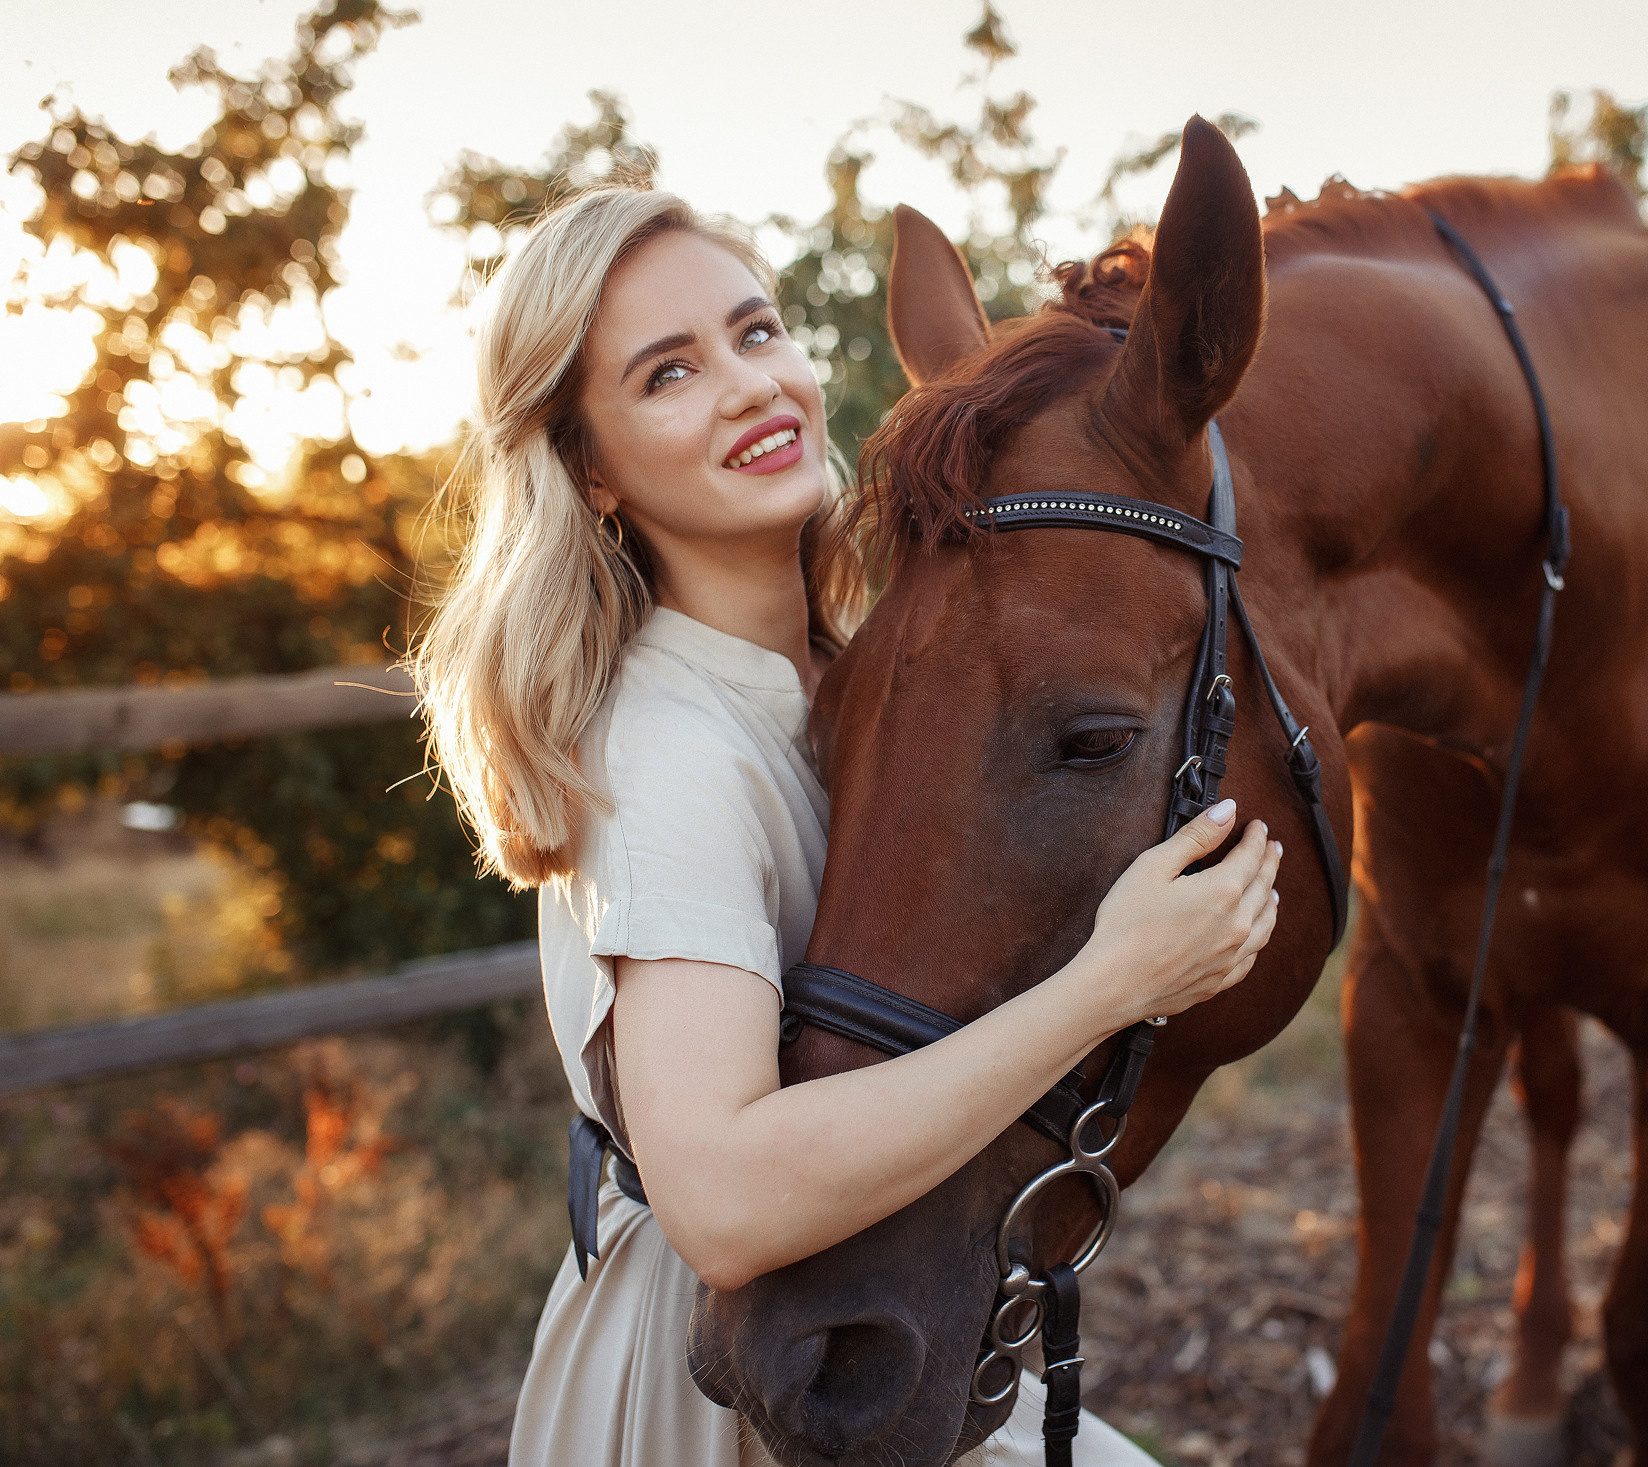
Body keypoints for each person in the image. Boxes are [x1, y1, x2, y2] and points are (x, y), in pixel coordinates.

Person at [407, 184, 1283, 1466]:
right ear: (589, 468)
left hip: (878, 1290)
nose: (749, 386)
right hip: (737, 1378)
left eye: (755, 333)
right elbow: (723, 1198)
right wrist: (1109, 985)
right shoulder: (667, 752)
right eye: (668, 375)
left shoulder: (851, 671)